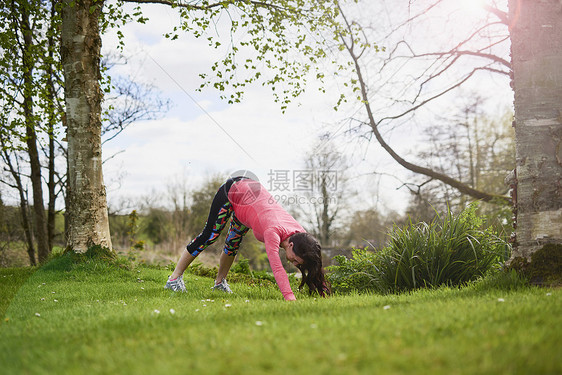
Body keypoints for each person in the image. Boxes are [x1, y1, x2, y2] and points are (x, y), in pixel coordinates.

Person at [164, 176, 330, 300]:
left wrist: (322, 290)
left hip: (249, 207)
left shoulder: (302, 235)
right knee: (210, 235)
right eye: (295, 261)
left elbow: (315, 260)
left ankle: (219, 283)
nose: (294, 264)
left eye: (297, 264)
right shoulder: (273, 232)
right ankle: (173, 279)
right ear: (291, 245)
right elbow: (277, 268)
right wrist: (289, 297)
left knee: (232, 244)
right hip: (236, 190)